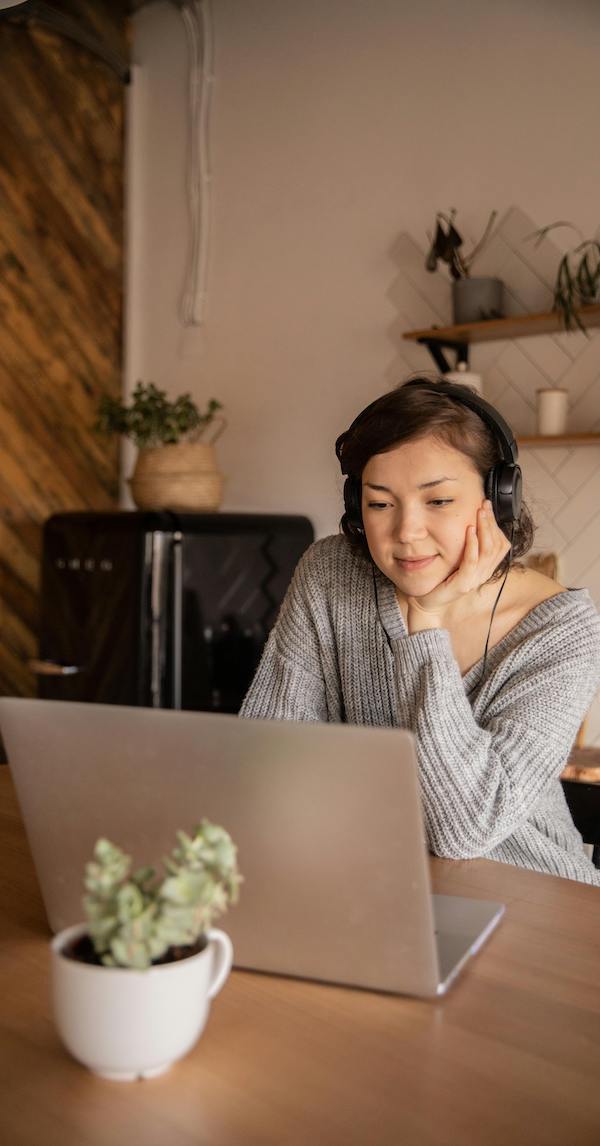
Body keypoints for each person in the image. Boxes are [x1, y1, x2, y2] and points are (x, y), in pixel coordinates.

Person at [240, 378, 600, 885]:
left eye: (438, 501)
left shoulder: (564, 630)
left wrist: (425, 625)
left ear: (497, 500)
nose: (406, 532)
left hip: (531, 894)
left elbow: (464, 829)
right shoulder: (330, 573)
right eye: (380, 503)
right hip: (372, 882)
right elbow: (266, 760)